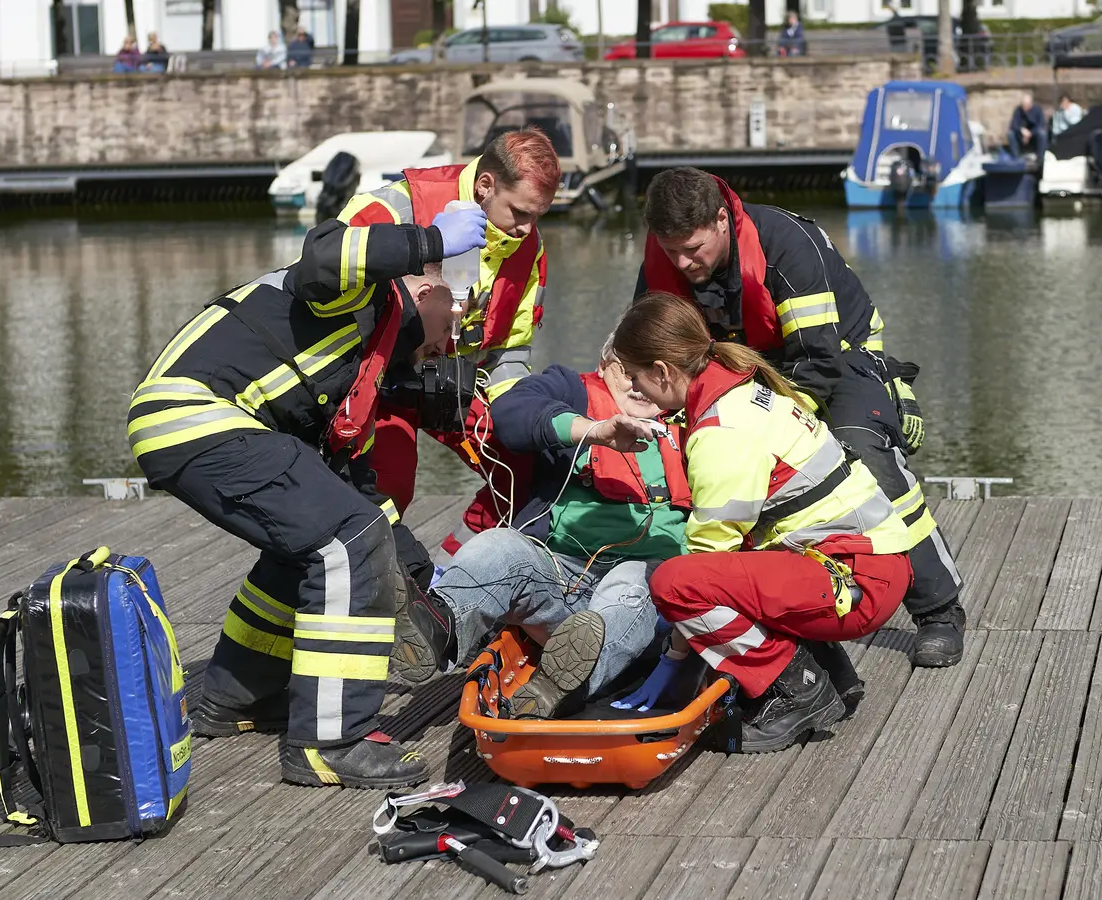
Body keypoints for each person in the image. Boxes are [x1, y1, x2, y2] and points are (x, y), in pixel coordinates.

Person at [128, 199, 492, 788]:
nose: (444, 349)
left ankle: (236, 696)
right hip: (197, 413)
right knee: (348, 543)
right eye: (449, 328)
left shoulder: (365, 367)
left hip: (207, 423)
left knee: (320, 536)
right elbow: (324, 251)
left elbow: (352, 489)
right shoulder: (368, 297)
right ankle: (332, 740)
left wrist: (413, 572)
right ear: (428, 296)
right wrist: (429, 241)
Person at [634, 167, 967, 668]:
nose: (682, 263)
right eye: (671, 251)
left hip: (839, 357)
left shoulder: (787, 247)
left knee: (860, 449)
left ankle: (939, 609)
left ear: (722, 221)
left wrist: (767, 424)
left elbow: (817, 361)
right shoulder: (666, 259)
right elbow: (651, 343)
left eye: (694, 249)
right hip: (747, 373)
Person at [604, 292, 911, 752]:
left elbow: (707, 562)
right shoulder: (741, 388)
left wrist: (675, 659)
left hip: (855, 581)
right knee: (741, 566)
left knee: (674, 582)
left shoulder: (721, 432)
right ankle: (832, 674)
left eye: (634, 375)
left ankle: (798, 688)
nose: (634, 388)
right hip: (869, 564)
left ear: (663, 371)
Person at [391, 330, 689, 718]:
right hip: (561, 577)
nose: (640, 386)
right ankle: (438, 629)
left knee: (630, 578)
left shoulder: (696, 418)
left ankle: (556, 687)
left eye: (653, 376)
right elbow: (511, 414)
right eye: (629, 372)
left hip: (643, 600)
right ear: (605, 366)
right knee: (497, 545)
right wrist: (592, 430)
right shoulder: (571, 388)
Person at [340, 129, 560, 573]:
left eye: (537, 217)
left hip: (453, 385)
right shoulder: (397, 208)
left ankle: (451, 577)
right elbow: (329, 275)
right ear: (485, 185)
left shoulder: (529, 249)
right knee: (389, 488)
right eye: (518, 212)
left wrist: (518, 417)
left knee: (529, 469)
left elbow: (510, 349)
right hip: (376, 384)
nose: (525, 228)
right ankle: (384, 588)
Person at [1007, 91, 1047, 157]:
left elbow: (1041, 124)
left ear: (1031, 104)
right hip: (1021, 135)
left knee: (1042, 133)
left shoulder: (1037, 110)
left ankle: (1040, 158)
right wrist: (1021, 130)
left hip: (1034, 135)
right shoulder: (1018, 110)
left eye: (1027, 105)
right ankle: (1015, 157)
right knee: (1011, 134)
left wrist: (1030, 133)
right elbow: (1013, 124)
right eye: (1023, 105)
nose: (1025, 107)